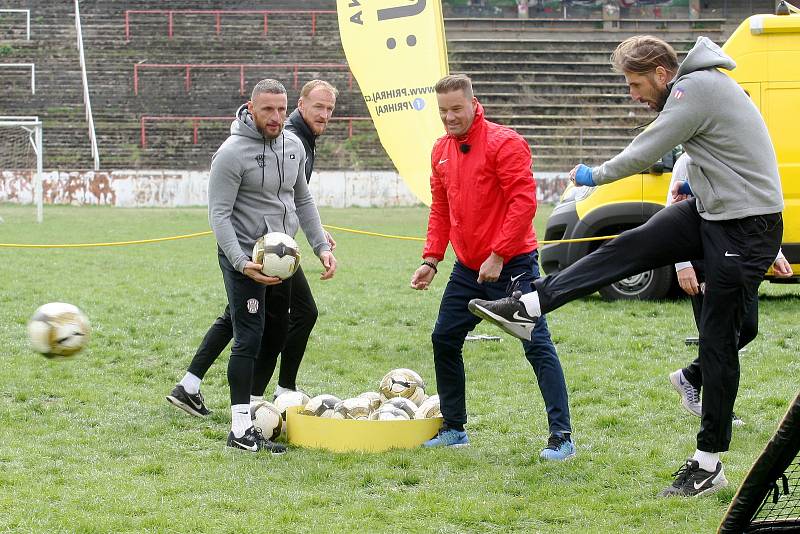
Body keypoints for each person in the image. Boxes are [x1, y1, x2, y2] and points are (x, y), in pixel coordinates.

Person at [470, 36, 783, 496]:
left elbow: (645, 150)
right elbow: (723, 158)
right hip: (714, 213)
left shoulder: (693, 89)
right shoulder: (698, 87)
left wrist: (592, 175)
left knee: (721, 338)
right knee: (628, 247)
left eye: (635, 83)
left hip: (745, 228)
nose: (632, 94)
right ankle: (531, 305)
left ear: (661, 71)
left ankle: (709, 463)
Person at [410, 74, 576, 460]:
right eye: (442, 111)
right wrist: (431, 259)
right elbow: (441, 209)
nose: (449, 118)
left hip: (513, 264)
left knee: (536, 345)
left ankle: (561, 437)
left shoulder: (506, 142)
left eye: (456, 109)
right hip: (467, 269)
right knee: (443, 339)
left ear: (473, 103)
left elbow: (524, 203)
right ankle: (454, 428)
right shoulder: (440, 151)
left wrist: (499, 253)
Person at [173, 78, 336, 453]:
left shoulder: (293, 145)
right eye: (268, 109)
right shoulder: (231, 153)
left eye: (281, 109)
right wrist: (241, 261)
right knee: (247, 336)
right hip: (244, 258)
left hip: (282, 260)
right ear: (250, 107)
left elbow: (302, 199)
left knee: (278, 331)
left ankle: (258, 403)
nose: (277, 117)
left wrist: (319, 245)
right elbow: (219, 215)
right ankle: (239, 430)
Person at [667, 153, 793, 422]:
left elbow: (757, 209)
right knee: (717, 339)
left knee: (746, 328)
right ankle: (720, 413)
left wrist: (776, 253)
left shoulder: (737, 155)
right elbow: (672, 212)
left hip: (738, 258)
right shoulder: (687, 160)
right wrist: (682, 265)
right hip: (703, 259)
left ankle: (690, 376)